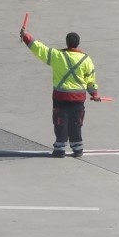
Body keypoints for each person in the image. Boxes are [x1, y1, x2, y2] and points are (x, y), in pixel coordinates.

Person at [20, 23, 99, 158]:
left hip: (60, 98)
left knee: (60, 122)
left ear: (66, 42)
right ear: (78, 44)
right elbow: (90, 79)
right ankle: (77, 148)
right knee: (76, 122)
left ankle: (60, 148)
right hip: (78, 98)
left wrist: (26, 36)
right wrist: (94, 94)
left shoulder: (57, 56)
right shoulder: (87, 60)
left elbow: (39, 49)